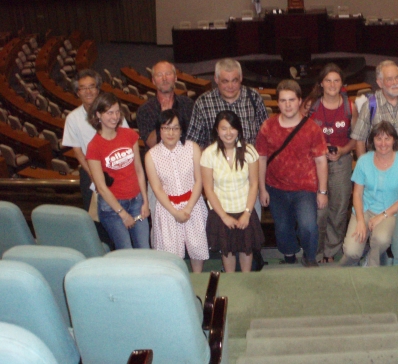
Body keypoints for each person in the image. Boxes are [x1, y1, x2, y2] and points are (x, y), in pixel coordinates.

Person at [256, 80, 328, 267]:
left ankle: (309, 257)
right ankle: (289, 256)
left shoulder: (312, 128)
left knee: (308, 226)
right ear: (277, 103)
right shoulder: (267, 127)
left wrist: (322, 191)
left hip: (305, 188)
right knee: (282, 227)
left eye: (291, 100)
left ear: (299, 101)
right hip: (275, 187)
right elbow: (261, 159)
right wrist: (262, 189)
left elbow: (321, 161)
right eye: (283, 100)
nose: (287, 105)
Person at [62, 69, 128, 246]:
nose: (88, 91)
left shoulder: (113, 112)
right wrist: (94, 175)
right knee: (99, 222)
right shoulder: (73, 118)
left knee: (123, 216)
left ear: (98, 89)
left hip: (118, 168)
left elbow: (127, 139)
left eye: (91, 87)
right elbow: (78, 152)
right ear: (77, 92)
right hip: (90, 173)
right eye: (83, 88)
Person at [303, 63, 357, 263]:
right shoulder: (311, 106)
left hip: (341, 162)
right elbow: (300, 134)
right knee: (318, 210)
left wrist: (342, 150)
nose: (332, 84)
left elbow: (356, 138)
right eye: (328, 80)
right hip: (315, 163)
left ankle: (330, 250)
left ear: (342, 83)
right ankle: (315, 250)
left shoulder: (350, 107)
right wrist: (317, 150)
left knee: (338, 209)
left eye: (336, 80)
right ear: (321, 83)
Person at [339, 121, 398, 267]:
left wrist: (382, 216)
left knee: (380, 239)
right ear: (372, 141)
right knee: (352, 251)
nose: (383, 143)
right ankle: (345, 267)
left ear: (394, 140)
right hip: (365, 210)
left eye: (387, 138)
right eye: (379, 138)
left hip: (390, 213)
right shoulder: (363, 161)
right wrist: (360, 220)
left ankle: (371, 264)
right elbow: (357, 194)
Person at [144, 109, 209, 272]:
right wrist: (175, 212)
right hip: (168, 208)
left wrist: (188, 208)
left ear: (182, 130)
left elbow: (199, 180)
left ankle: (197, 279)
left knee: (197, 249)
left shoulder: (192, 148)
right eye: (166, 128)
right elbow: (157, 188)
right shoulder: (151, 155)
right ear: (159, 130)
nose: (171, 133)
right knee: (171, 254)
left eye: (175, 128)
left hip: (193, 205)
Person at [201, 110, 264, 273]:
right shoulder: (209, 154)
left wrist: (247, 213)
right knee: (227, 251)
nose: (228, 133)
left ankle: (246, 279)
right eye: (224, 128)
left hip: (244, 209)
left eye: (232, 128)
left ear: (238, 129)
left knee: (246, 249)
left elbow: (254, 184)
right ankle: (230, 280)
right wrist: (224, 216)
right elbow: (208, 189)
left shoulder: (249, 151)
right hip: (222, 211)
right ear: (217, 130)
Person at [85, 92, 150, 249]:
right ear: (98, 115)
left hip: (136, 201)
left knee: (144, 248)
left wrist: (145, 201)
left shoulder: (129, 135)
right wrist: (122, 214)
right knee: (125, 250)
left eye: (117, 112)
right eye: (109, 113)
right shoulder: (94, 146)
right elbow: (101, 187)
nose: (114, 117)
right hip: (112, 207)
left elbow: (139, 170)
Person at [187, 58, 267, 149]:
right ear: (216, 79)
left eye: (234, 80)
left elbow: (266, 135)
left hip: (248, 156)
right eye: (225, 81)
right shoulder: (203, 103)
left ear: (241, 78)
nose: (230, 86)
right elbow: (192, 143)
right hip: (215, 157)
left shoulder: (254, 97)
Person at [137, 61, 194, 148]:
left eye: (168, 74)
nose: (164, 78)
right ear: (153, 81)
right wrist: (164, 118)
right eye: (159, 75)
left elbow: (195, 137)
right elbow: (151, 144)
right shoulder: (145, 110)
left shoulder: (188, 104)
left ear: (175, 78)